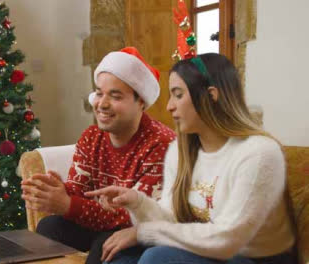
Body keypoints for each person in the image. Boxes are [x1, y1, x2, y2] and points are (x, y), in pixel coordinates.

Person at [86, 53, 296, 264]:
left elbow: (229, 239)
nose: (169, 106)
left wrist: (143, 233)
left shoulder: (259, 153)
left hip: (251, 256)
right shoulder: (181, 152)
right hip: (209, 252)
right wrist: (136, 201)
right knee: (119, 258)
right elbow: (170, 221)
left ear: (211, 95)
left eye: (178, 95)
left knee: (157, 258)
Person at [21, 47, 176, 264]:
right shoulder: (91, 137)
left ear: (140, 101)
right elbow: (79, 191)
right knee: (49, 227)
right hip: (105, 223)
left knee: (104, 247)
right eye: (99, 93)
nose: (102, 104)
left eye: (115, 96)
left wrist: (68, 204)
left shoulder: (162, 144)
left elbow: (137, 218)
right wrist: (57, 191)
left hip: (142, 232)